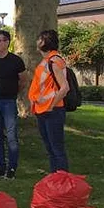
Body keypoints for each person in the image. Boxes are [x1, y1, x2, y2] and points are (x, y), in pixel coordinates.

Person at [28, 29, 70, 173]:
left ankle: (62, 179)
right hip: (43, 109)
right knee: (51, 148)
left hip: (52, 110)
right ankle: (54, 178)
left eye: (39, 39)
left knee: (56, 149)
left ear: (44, 42)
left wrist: (51, 105)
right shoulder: (46, 61)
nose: (37, 41)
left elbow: (65, 88)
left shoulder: (54, 61)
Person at [0, 30, 26, 179]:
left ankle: (11, 169)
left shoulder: (16, 61)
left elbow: (23, 80)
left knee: (11, 136)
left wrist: (14, 93)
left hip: (9, 102)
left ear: (7, 42)